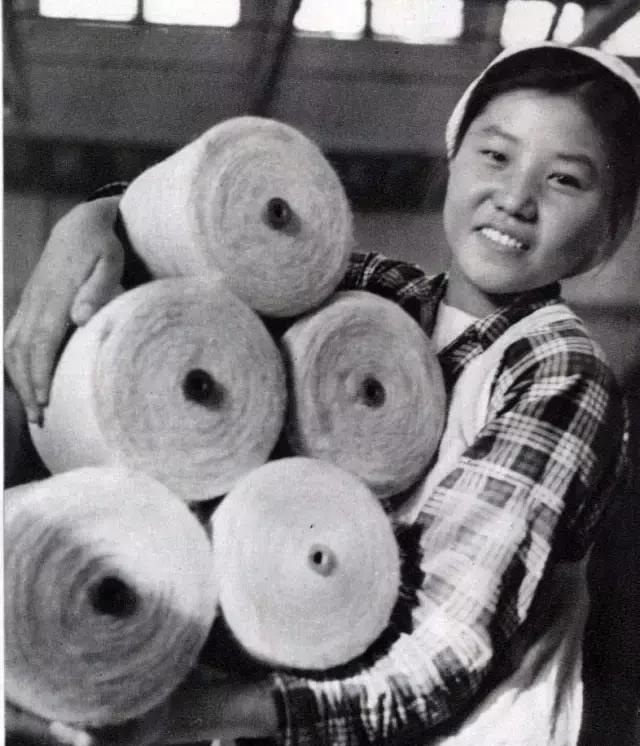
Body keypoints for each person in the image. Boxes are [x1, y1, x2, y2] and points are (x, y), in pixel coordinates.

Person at [5, 41, 640, 746]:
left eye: (565, 180)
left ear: (609, 232)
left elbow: (446, 655)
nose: (516, 198)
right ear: (455, 158)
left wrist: (188, 713)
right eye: (495, 155)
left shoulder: (558, 371)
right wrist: (92, 223)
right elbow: (214, 230)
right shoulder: (384, 300)